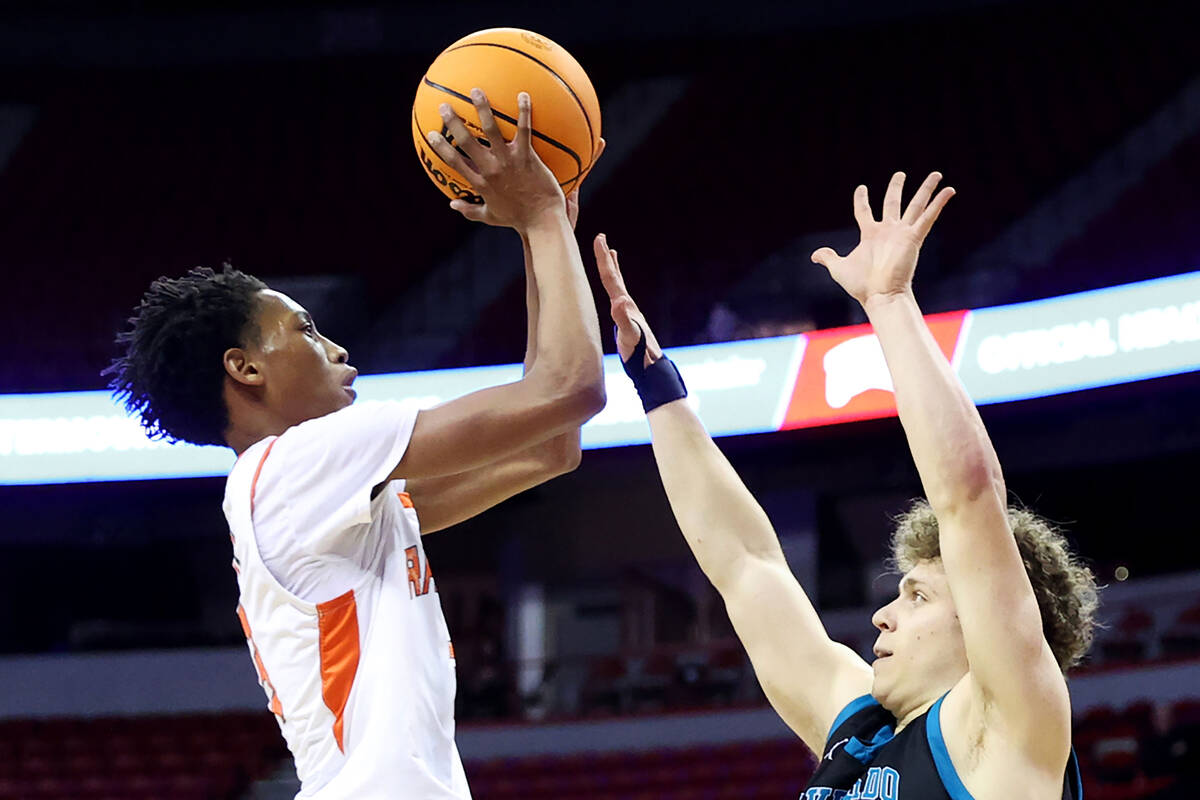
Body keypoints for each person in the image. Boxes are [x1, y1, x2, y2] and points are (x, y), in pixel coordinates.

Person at [106, 91, 606, 799]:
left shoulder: (315, 496)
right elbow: (572, 389)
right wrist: (544, 217)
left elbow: (551, 447)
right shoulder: (296, 464)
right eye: (307, 330)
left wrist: (536, 234)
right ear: (245, 369)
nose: (338, 349)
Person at [595, 171, 1098, 800]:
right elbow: (746, 565)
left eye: (918, 597)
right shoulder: (857, 728)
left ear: (984, 620)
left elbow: (969, 498)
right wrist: (655, 385)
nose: (882, 616)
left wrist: (888, 301)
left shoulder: (1009, 727)